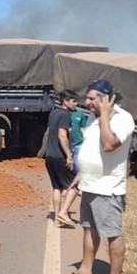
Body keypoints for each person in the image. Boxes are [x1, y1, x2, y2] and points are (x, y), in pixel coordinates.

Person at [68, 79, 135, 274]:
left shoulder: (122, 119)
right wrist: (82, 173)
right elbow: (92, 151)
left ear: (106, 99)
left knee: (112, 233)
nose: (86, 102)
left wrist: (105, 115)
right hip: (90, 184)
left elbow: (109, 145)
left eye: (91, 98)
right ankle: (86, 269)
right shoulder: (95, 119)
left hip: (108, 188)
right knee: (89, 228)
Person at [45, 90, 79, 227]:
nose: (76, 104)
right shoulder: (65, 115)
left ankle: (57, 219)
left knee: (57, 187)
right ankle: (63, 214)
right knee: (75, 184)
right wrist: (69, 156)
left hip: (49, 156)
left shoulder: (53, 113)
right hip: (60, 156)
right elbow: (62, 136)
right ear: (65, 101)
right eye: (73, 101)